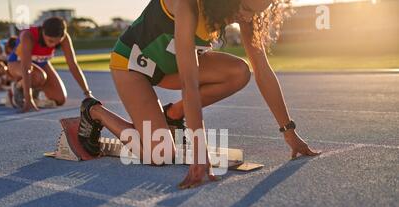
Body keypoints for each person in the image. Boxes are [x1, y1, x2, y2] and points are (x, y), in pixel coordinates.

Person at [78, 0, 322, 189]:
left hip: (169, 68)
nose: (248, 17)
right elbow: (189, 83)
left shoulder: (246, 12)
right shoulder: (187, 4)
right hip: (133, 65)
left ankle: (172, 114)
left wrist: (289, 131)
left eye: (259, 10)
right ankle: (94, 112)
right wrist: (199, 152)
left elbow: (262, 70)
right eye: (247, 8)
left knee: (239, 72)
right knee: (159, 155)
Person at [8, 17, 94, 112]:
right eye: (50, 41)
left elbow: (73, 65)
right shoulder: (28, 36)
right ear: (43, 32)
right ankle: (18, 87)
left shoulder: (64, 38)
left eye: (57, 42)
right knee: (38, 76)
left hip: (42, 64)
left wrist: (87, 93)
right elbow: (26, 67)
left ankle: (34, 92)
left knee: (59, 99)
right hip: (17, 64)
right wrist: (29, 100)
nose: (53, 45)